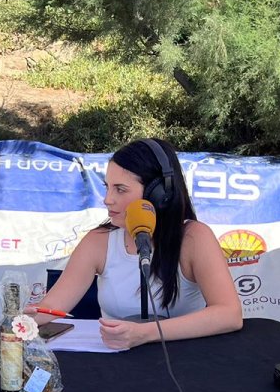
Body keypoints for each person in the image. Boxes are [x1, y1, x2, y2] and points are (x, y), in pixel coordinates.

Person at [31, 138, 242, 349]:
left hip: (184, 362)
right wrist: (23, 320)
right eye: (107, 187)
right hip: (117, 364)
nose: (107, 199)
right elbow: (51, 307)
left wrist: (144, 334)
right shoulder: (98, 241)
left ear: (159, 194)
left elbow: (229, 314)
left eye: (120, 189)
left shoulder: (195, 238)